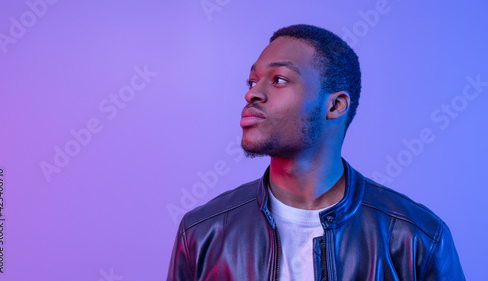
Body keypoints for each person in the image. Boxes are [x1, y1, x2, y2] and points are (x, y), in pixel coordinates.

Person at [166, 24, 464, 280]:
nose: (252, 93)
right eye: (253, 81)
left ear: (335, 106)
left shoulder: (417, 238)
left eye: (279, 79)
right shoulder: (202, 232)